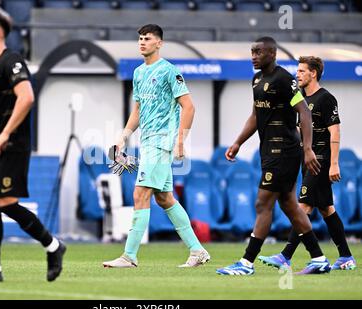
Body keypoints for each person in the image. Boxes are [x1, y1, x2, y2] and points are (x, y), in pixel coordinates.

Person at [0, 14, 66, 283]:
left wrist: (5, 134)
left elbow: (27, 97)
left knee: (7, 203)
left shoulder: (13, 60)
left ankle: (53, 246)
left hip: (11, 146)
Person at [216, 37, 331, 275]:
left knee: (263, 202)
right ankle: (319, 259)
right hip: (268, 150)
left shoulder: (284, 79)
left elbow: (305, 114)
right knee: (289, 204)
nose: (253, 56)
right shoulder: (257, 79)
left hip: (284, 151)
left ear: (272, 54)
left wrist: (308, 149)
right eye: (252, 52)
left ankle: (247, 263)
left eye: (258, 52)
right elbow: (256, 115)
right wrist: (238, 142)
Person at [102, 24, 210, 268]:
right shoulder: (139, 73)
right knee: (164, 198)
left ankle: (129, 256)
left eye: (147, 39)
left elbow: (189, 106)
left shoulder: (169, 71)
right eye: (140, 38)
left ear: (159, 43)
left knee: (140, 193)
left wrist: (181, 139)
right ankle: (197, 250)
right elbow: (138, 109)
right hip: (147, 141)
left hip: (162, 141)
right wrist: (124, 136)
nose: (142, 42)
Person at [258, 56, 356, 271]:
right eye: (297, 71)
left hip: (320, 163)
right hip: (306, 161)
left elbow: (335, 131)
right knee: (326, 209)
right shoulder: (300, 99)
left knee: (303, 206)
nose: (297, 74)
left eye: (302, 71)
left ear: (313, 73)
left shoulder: (326, 99)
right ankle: (346, 256)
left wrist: (334, 164)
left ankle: (285, 256)